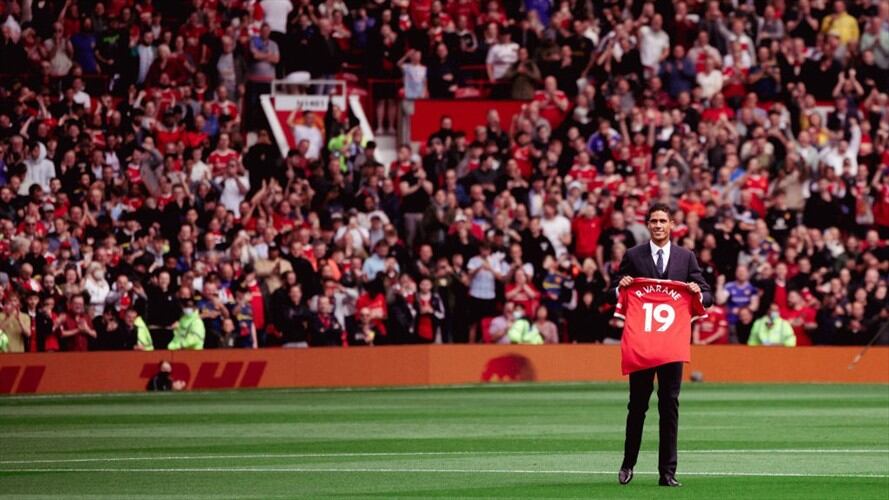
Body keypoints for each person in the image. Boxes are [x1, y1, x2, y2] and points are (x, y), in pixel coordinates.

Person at [611, 203, 713, 487]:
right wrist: (621, 285)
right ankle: (628, 464)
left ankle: (667, 473)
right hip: (642, 344)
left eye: (663, 221)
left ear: (671, 225)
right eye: (654, 221)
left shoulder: (685, 257)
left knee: (669, 406)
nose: (658, 226)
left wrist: (699, 293)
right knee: (637, 406)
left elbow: (707, 292)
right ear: (648, 225)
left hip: (671, 346)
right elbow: (613, 290)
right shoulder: (633, 255)